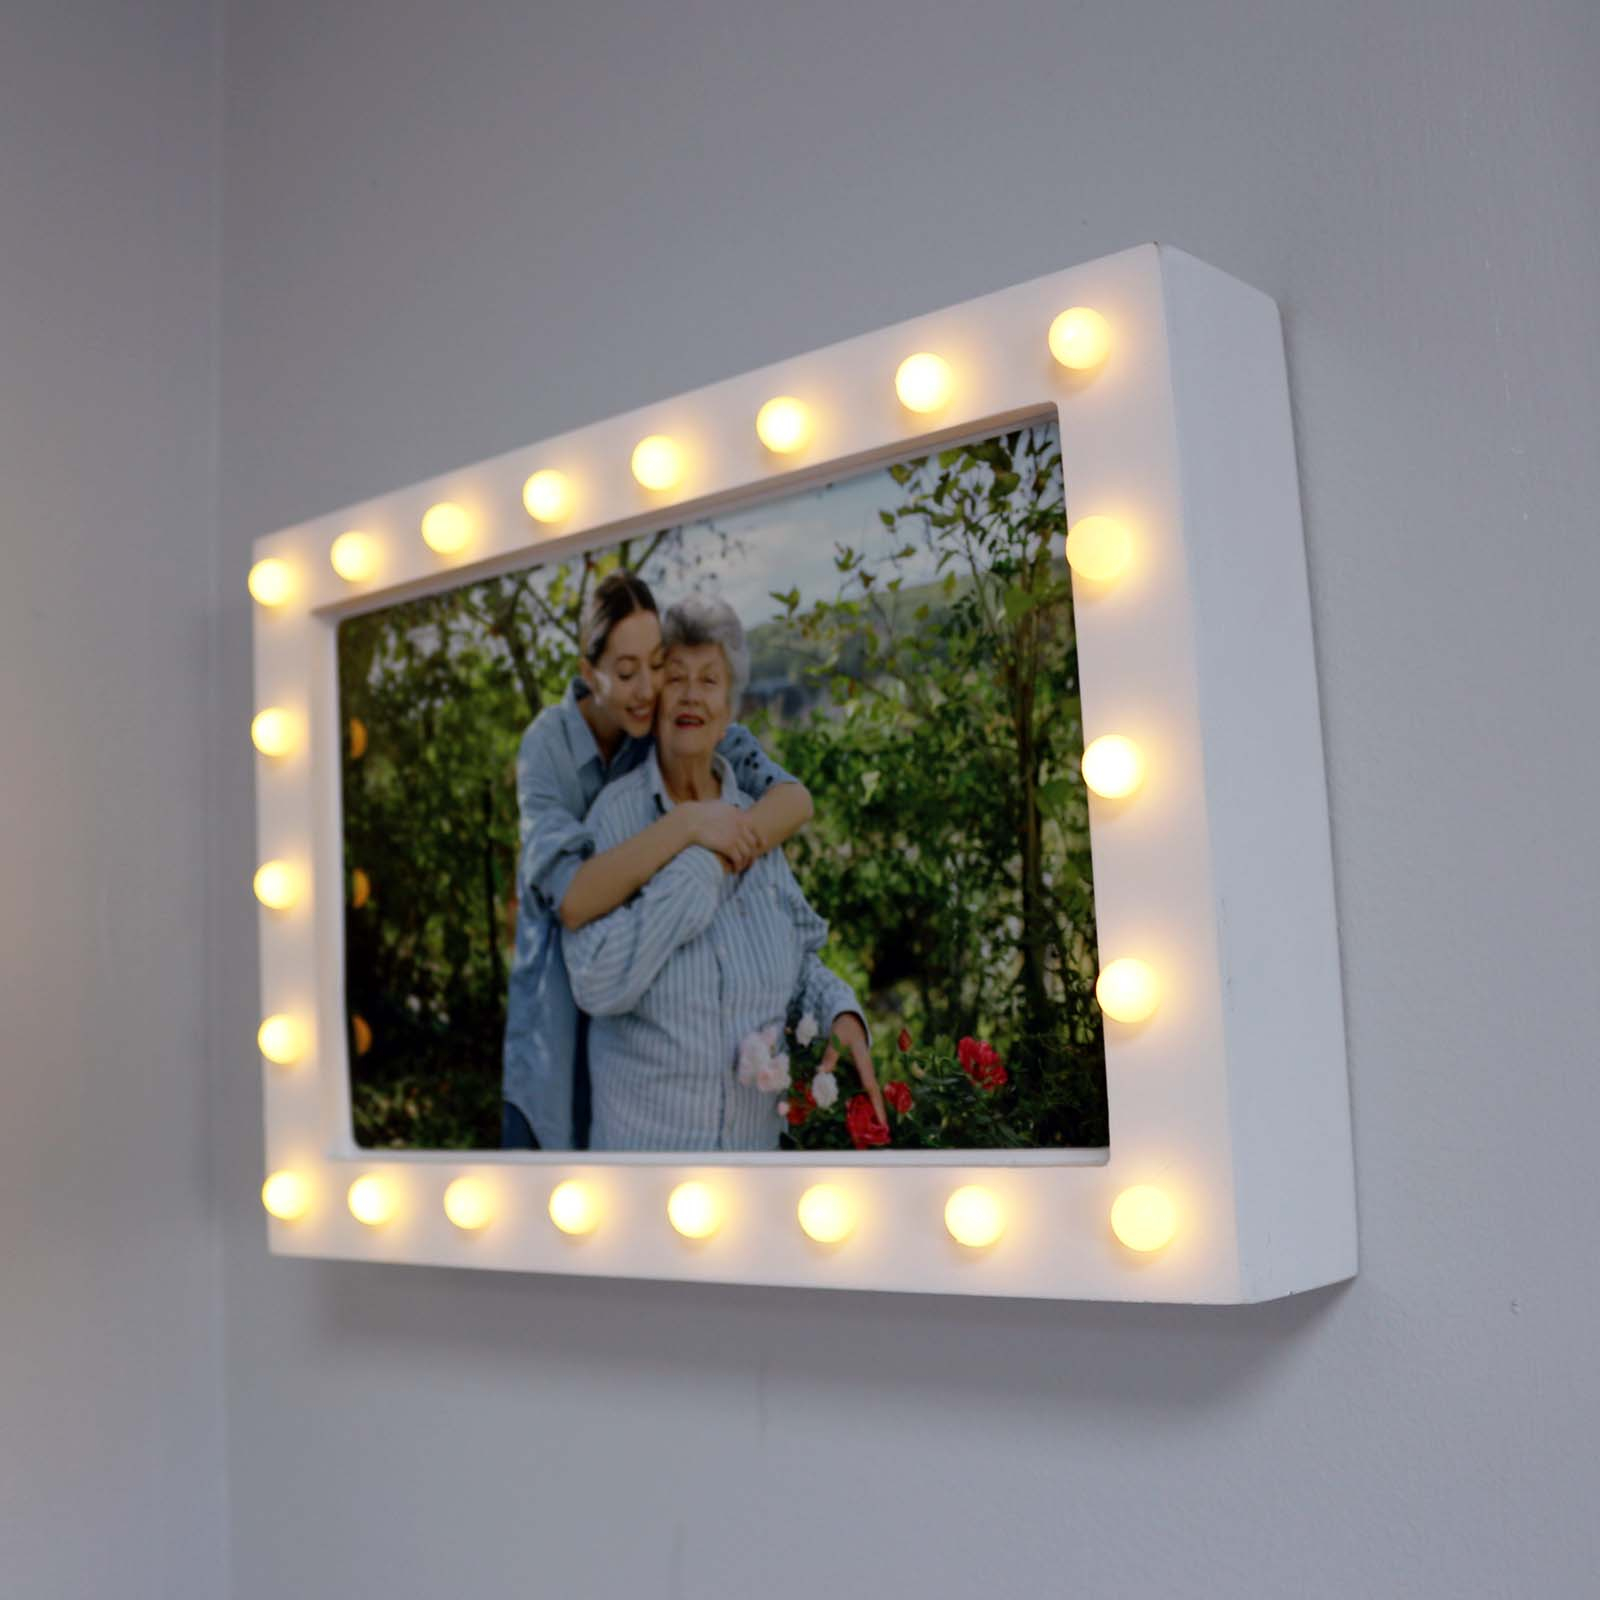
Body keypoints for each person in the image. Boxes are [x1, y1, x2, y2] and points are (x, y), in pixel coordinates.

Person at [501, 571, 812, 1150]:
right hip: (556, 1022)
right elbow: (574, 900)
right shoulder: (549, 746)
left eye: (657, 665)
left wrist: (724, 852)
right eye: (626, 673)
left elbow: (792, 800)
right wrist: (691, 827)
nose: (647, 689)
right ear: (589, 671)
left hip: (628, 1032)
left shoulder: (667, 721)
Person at [564, 596, 887, 1151]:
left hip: (754, 1167)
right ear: (653, 700)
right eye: (676, 677)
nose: (691, 694)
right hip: (647, 1171)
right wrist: (700, 862)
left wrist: (839, 1011)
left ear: (728, 711)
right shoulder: (614, 820)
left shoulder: (756, 819)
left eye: (709, 680)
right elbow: (594, 981)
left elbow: (795, 962)